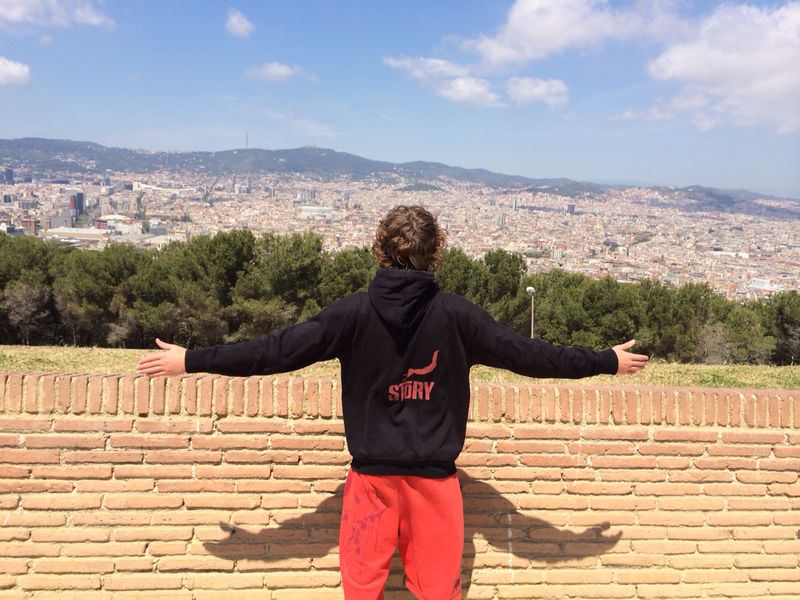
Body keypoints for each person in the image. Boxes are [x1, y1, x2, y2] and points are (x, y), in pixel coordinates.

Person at [137, 205, 648, 600]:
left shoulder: (352, 314)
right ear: (436, 253)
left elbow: (277, 350)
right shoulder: (457, 316)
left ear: (379, 249)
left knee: (362, 592)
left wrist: (192, 360)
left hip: (371, 484)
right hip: (436, 486)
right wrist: (604, 361)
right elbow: (530, 355)